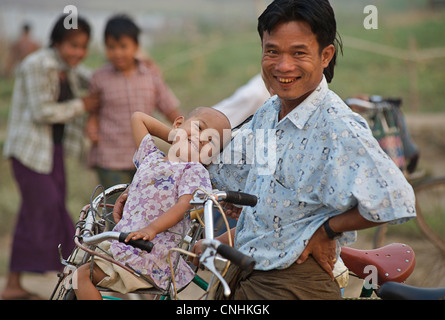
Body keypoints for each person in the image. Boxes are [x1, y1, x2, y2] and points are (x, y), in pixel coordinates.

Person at [192, 0, 416, 300]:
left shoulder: (337, 126)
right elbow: (219, 168)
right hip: (246, 270)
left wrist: (327, 229)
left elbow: (394, 196)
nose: (283, 66)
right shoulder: (269, 112)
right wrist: (149, 186)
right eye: (272, 51)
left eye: (298, 53)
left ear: (325, 55)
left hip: (291, 283)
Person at [74, 107, 231, 300]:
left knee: (80, 276)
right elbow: (138, 118)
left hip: (150, 256)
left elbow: (184, 206)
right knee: (78, 269)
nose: (202, 139)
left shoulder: (194, 170)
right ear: (178, 124)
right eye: (199, 128)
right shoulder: (150, 156)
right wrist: (177, 136)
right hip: (126, 245)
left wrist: (152, 228)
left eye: (211, 142)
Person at [1, 14, 98, 300]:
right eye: (72, 45)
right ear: (56, 41)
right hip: (30, 153)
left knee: (33, 213)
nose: (78, 52)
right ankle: (77, 280)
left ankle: (13, 284)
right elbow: (41, 111)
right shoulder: (38, 64)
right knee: (51, 209)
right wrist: (82, 104)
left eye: (83, 46)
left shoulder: (66, 67)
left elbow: (95, 79)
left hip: (51, 153)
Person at [86, 14, 181, 189]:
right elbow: (94, 110)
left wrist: (185, 131)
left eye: (123, 46)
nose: (117, 53)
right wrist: (91, 126)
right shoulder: (99, 78)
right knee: (115, 210)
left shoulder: (151, 75)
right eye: (111, 47)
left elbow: (168, 107)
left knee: (144, 207)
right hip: (110, 159)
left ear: (136, 46)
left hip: (145, 158)